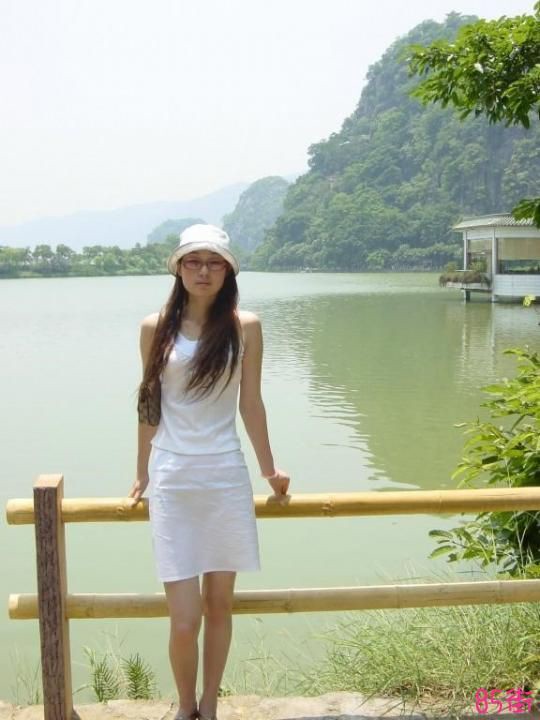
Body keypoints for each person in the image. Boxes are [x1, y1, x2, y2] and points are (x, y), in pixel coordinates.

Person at [128, 224, 290, 720]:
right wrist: (141, 472)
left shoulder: (246, 327)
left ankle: (210, 704)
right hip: (173, 479)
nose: (204, 271)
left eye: (214, 262)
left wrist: (270, 470)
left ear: (228, 271)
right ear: (178, 268)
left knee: (219, 606)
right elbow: (150, 403)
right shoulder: (155, 327)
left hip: (225, 478)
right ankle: (184, 707)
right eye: (194, 261)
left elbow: (251, 404)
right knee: (184, 618)